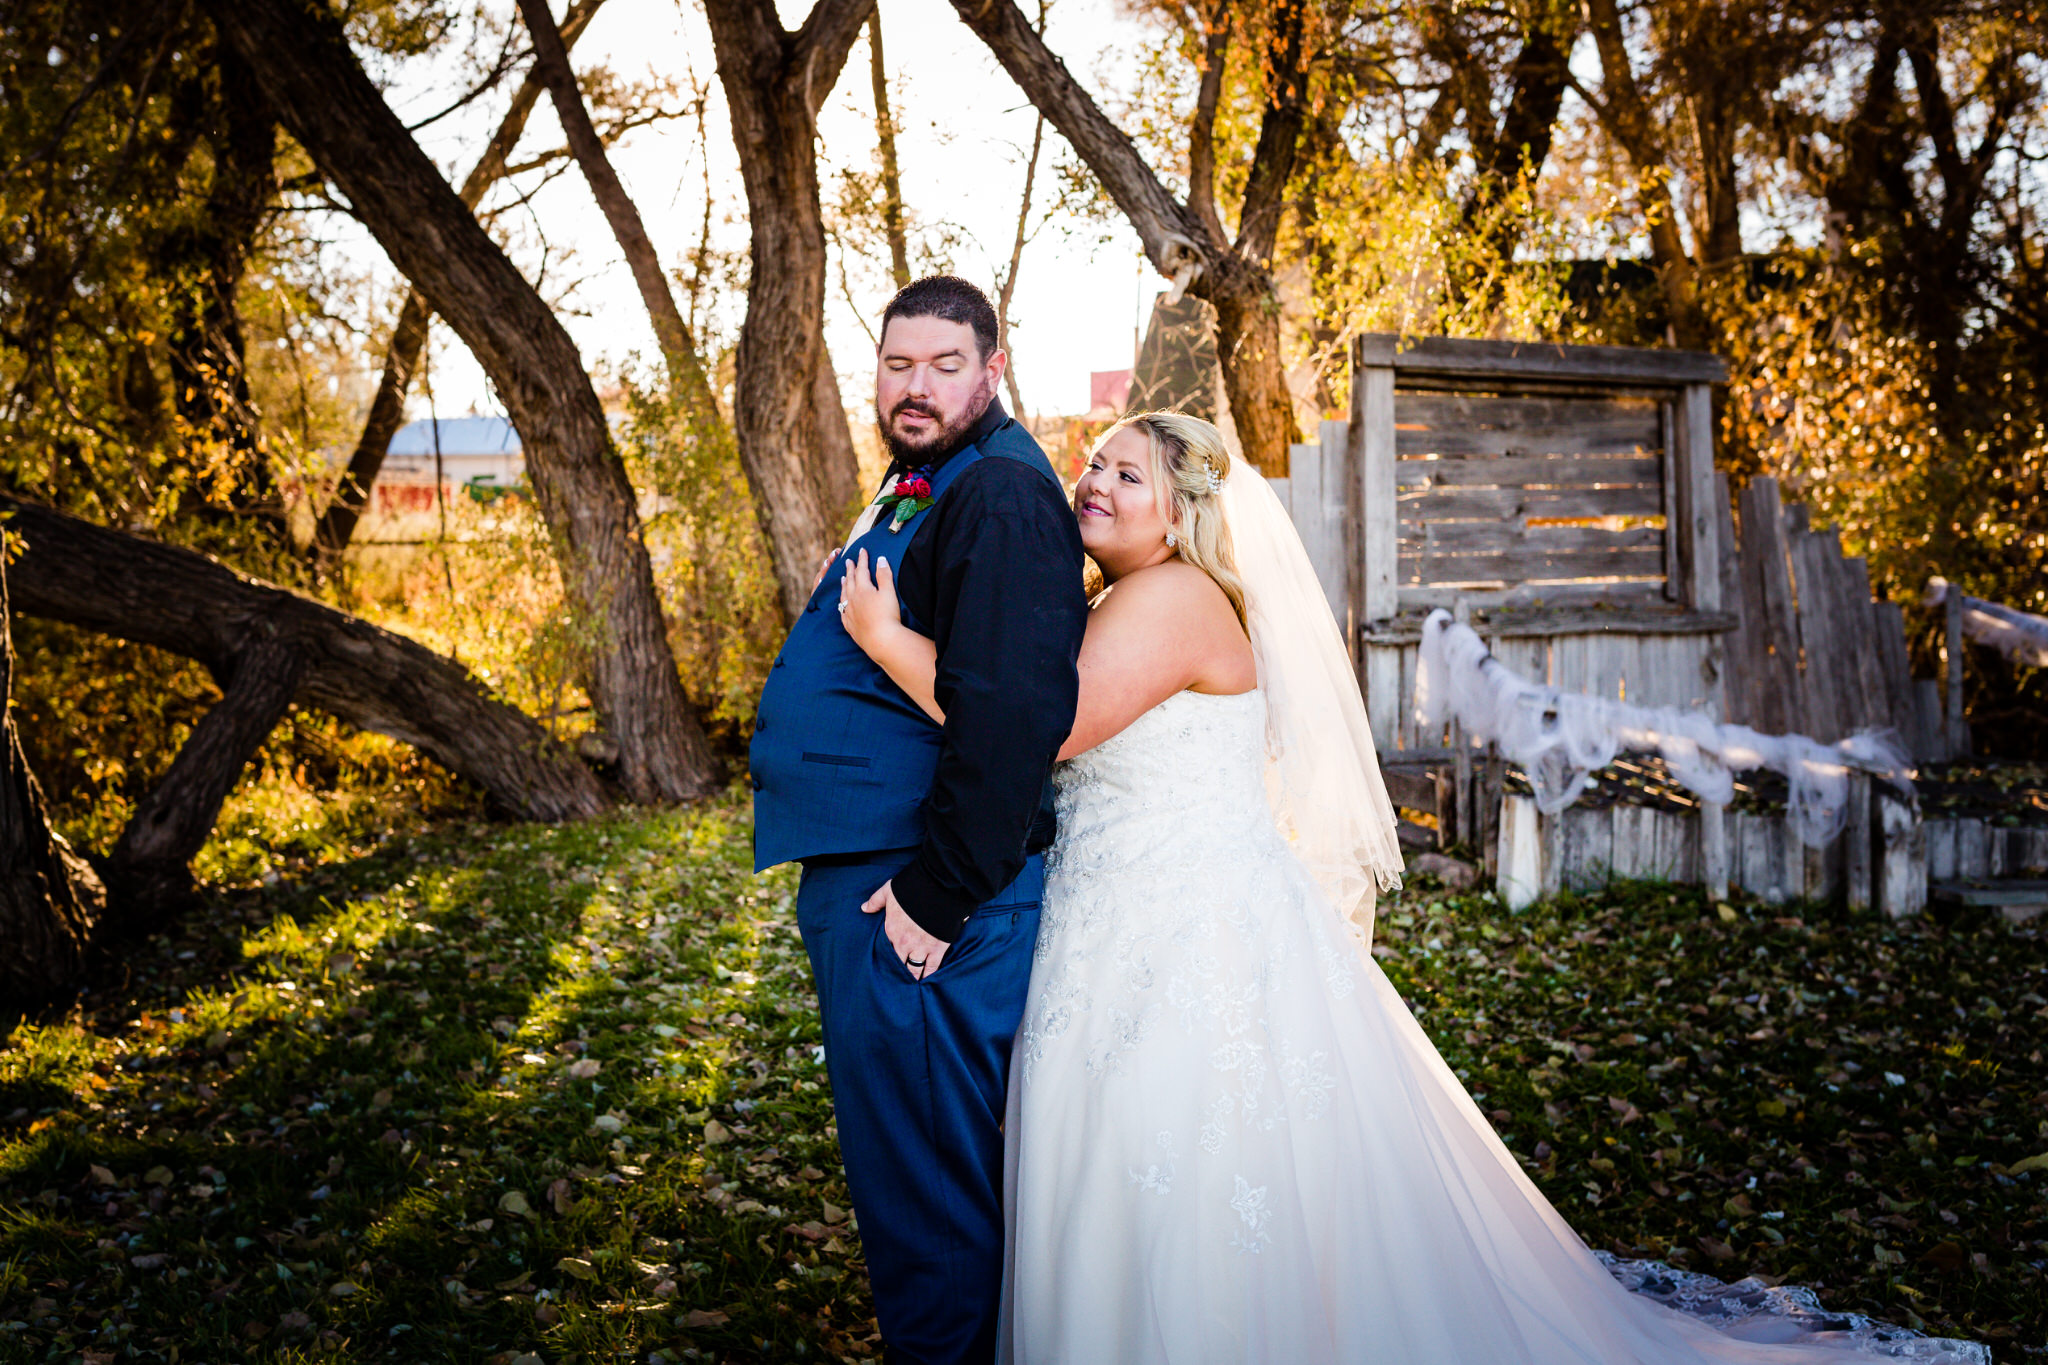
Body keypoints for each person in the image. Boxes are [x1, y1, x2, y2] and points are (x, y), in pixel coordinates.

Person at [838, 411, 1985, 1365]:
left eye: (1123, 473)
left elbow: (1048, 727)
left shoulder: (1175, 599)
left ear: (1185, 510)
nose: (1090, 482)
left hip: (1177, 940)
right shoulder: (1121, 603)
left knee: (1177, 1171)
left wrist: (891, 643)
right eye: (1091, 463)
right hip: (1135, 916)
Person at [750, 276, 1088, 1364]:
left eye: (946, 365)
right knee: (911, 1186)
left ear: (991, 371)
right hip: (878, 870)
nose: (916, 384)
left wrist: (936, 897)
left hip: (917, 895)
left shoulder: (997, 492)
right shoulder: (932, 477)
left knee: (930, 1200)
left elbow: (1013, 717)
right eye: (899, 363)